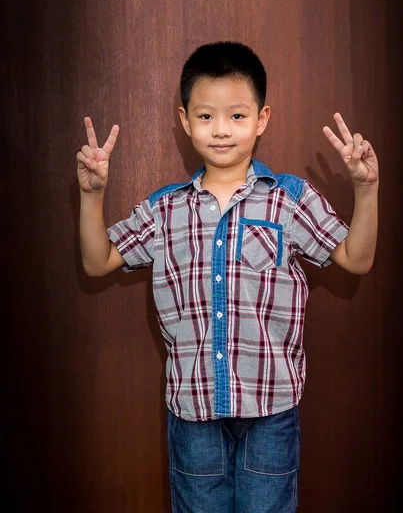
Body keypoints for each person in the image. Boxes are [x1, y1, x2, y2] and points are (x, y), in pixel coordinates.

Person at [76, 41, 378, 513]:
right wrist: (92, 195)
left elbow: (355, 259)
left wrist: (366, 188)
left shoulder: (288, 200)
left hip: (271, 411)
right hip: (193, 409)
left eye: (237, 116)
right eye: (205, 116)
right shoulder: (164, 209)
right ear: (184, 120)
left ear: (262, 119)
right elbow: (98, 262)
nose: (221, 130)